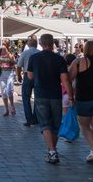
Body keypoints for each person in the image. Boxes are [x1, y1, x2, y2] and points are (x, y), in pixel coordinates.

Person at [27, 34, 73, 164]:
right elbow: (65, 80)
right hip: (55, 95)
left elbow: (30, 76)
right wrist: (70, 96)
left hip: (41, 94)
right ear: (53, 43)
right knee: (55, 124)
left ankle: (52, 151)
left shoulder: (34, 58)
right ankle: (52, 150)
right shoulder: (59, 59)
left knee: (45, 123)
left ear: (41, 43)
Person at [17, 36, 40, 126]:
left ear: (28, 44)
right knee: (37, 98)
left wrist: (19, 76)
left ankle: (29, 119)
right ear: (36, 44)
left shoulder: (25, 53)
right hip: (38, 76)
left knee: (26, 98)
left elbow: (19, 66)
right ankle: (35, 118)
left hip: (27, 75)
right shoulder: (39, 53)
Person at [0, 38, 16, 116]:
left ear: (8, 44)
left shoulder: (12, 49)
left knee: (9, 90)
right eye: (2, 43)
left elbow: (12, 60)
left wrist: (6, 51)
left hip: (10, 72)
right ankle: (6, 109)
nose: (3, 45)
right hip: (2, 72)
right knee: (3, 91)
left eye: (5, 44)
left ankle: (12, 106)